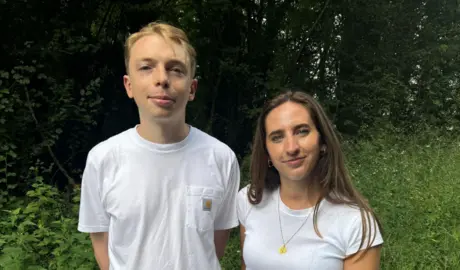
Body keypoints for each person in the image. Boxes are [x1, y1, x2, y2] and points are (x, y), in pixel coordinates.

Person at [77, 21, 240, 270]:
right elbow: (101, 240)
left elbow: (215, 246)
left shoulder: (221, 158)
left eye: (175, 69)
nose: (162, 79)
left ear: (192, 88)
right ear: (128, 85)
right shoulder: (103, 159)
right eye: (146, 67)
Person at [237, 90, 383, 270]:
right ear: (267, 151)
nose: (291, 148)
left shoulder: (355, 222)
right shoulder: (250, 199)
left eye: (302, 132)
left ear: (323, 141)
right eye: (277, 137)